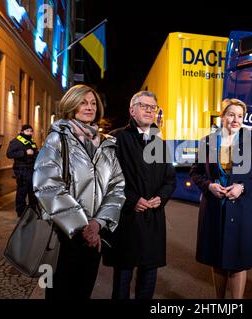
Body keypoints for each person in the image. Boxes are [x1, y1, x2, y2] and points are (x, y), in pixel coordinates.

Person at [32, 84, 126, 299]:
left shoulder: (106, 145)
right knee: (60, 293)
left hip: (94, 235)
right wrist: (82, 225)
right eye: (83, 102)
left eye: (93, 103)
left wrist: (98, 223)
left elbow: (117, 187)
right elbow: (47, 186)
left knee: (83, 292)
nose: (89, 107)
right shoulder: (57, 139)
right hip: (64, 234)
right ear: (71, 105)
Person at [189, 98, 252, 299]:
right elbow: (196, 172)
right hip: (214, 208)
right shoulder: (206, 142)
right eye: (231, 114)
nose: (236, 120)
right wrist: (209, 186)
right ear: (222, 116)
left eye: (240, 116)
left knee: (238, 260)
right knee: (217, 258)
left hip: (241, 209)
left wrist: (242, 187)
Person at [105, 91, 176, 299]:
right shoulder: (117, 138)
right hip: (126, 218)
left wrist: (161, 198)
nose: (148, 110)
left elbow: (170, 179)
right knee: (122, 278)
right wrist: (132, 200)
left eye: (152, 107)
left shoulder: (160, 143)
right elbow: (108, 178)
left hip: (152, 218)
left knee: (149, 275)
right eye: (143, 106)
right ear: (131, 110)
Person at [6, 124, 38, 217]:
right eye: (27, 131)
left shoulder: (31, 142)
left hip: (32, 170)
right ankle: (21, 212)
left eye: (31, 131)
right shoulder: (16, 141)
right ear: (22, 131)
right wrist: (24, 152)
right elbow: (9, 154)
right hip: (21, 171)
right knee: (22, 192)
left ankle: (33, 211)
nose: (29, 133)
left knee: (32, 192)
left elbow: (35, 153)